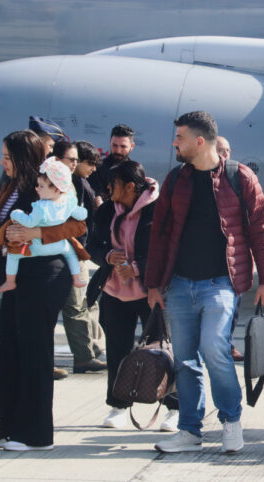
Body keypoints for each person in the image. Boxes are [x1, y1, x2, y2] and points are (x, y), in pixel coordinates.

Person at [146, 111, 264, 453]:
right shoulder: (176, 180)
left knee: (214, 348)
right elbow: (159, 235)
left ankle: (231, 423)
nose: (175, 143)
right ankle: (190, 431)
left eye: (180, 138)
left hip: (221, 283)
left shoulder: (240, 177)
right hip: (179, 284)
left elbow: (260, 230)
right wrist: (153, 285)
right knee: (185, 358)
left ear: (200, 141)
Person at [0, 130, 85, 451]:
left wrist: (36, 231)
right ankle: (9, 424)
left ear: (22, 157)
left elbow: (77, 226)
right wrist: (5, 235)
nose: (2, 161)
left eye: (7, 156)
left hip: (44, 274)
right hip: (18, 275)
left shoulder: (46, 184)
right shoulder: (11, 186)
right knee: (9, 351)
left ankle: (36, 433)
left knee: (34, 351)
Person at [85, 160, 179, 431]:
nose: (108, 190)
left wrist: (137, 267)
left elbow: (168, 251)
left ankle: (174, 408)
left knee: (165, 349)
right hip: (115, 292)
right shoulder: (106, 211)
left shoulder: (159, 209)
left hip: (152, 292)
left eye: (112, 185)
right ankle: (118, 406)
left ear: (130, 187)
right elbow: (91, 244)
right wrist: (106, 256)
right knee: (117, 350)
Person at [0, 158, 87, 292]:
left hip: (38, 247)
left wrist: (16, 214)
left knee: (13, 255)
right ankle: (77, 278)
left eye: (41, 186)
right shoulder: (69, 202)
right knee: (71, 253)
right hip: (60, 245)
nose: (37, 188)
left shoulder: (41, 207)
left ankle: (10, 282)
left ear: (56, 189)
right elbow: (83, 215)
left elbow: (30, 222)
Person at [55, 140, 107, 373]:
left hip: (73, 254)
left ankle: (88, 352)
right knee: (76, 306)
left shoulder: (77, 184)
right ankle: (85, 355)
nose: (92, 169)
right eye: (75, 161)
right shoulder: (67, 184)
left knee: (81, 305)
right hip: (69, 254)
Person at [215, 135, 243, 362]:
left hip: (235, 257)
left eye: (227, 151)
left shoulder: (238, 178)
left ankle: (228, 344)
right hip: (211, 259)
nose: (224, 155)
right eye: (219, 151)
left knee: (233, 306)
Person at [88, 123, 135, 204]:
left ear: (132, 146)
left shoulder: (135, 171)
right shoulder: (98, 168)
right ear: (110, 143)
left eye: (123, 146)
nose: (118, 151)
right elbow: (94, 195)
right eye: (114, 145)